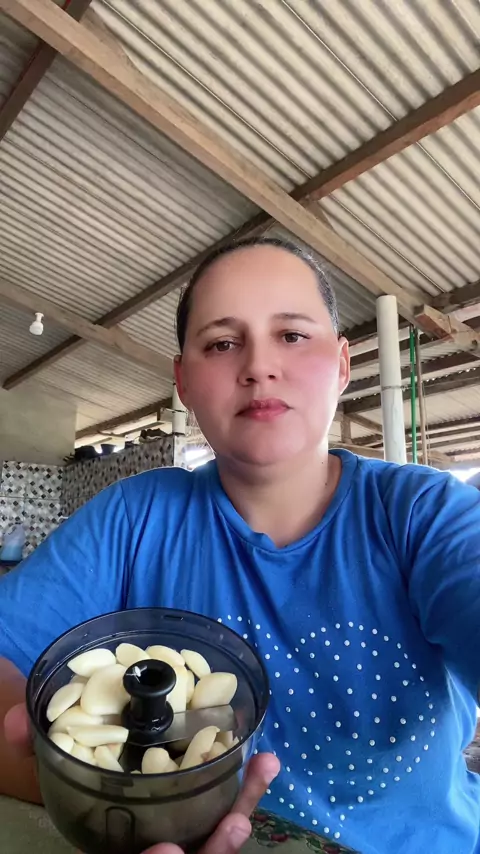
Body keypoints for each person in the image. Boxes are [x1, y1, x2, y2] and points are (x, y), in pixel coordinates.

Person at [1, 237, 480, 854]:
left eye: (292, 335)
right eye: (222, 343)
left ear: (341, 365)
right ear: (183, 380)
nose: (258, 367)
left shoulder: (423, 516)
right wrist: (117, 803)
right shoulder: (133, 518)